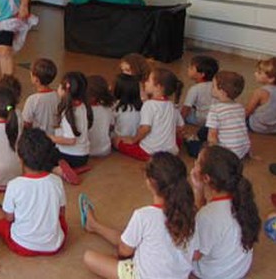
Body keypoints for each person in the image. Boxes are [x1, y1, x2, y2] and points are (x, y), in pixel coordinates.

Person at [82, 152, 197, 279]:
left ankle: (93, 225)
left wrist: (125, 259)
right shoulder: (191, 214)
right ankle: (94, 225)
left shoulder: (143, 216)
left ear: (150, 182)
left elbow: (124, 251)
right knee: (131, 237)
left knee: (89, 257)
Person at [0, 128, 67, 256]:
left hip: (23, 245)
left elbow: (9, 218)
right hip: (54, 245)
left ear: (20, 158)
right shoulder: (56, 181)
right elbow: (61, 213)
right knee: (60, 223)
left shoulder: (14, 185)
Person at [190, 146, 260, 279]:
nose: (194, 164)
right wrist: (198, 190)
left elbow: (195, 254)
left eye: (197, 162)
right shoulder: (241, 197)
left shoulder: (208, 215)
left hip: (216, 274)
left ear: (206, 178)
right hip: (239, 268)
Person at [114, 68, 184, 161]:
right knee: (177, 140)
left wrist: (133, 140)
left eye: (148, 81)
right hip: (171, 151)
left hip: (150, 151)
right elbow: (181, 127)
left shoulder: (149, 105)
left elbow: (146, 128)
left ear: (158, 87)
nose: (145, 83)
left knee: (116, 141)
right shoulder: (171, 105)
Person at [190, 71, 250, 159]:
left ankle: (190, 140)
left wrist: (211, 155)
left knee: (192, 147)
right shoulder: (240, 107)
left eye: (213, 86)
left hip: (225, 154)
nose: (211, 88)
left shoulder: (215, 110)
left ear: (222, 92)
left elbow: (212, 136)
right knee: (205, 129)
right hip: (241, 151)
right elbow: (242, 131)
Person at [49, 72, 93, 184]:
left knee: (41, 157)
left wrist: (50, 138)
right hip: (83, 157)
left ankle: (60, 171)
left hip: (71, 156)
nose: (57, 88)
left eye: (59, 86)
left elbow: (70, 140)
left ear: (66, 89)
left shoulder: (68, 112)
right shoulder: (83, 106)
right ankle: (75, 169)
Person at [22, 58, 59, 135]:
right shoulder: (57, 96)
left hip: (38, 138)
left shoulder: (32, 99)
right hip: (55, 136)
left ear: (36, 80)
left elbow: (26, 122)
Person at [245, 57, 276, 134]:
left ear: (271, 79)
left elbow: (248, 111)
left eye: (259, 72)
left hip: (256, 126)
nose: (255, 73)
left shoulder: (260, 92)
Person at [181, 55, 219, 126]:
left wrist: (179, 123)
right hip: (214, 119)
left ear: (202, 74)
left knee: (177, 110)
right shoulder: (216, 86)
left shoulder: (195, 89)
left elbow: (186, 108)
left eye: (191, 68)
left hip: (200, 120)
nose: (188, 69)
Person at [87, 75, 115, 157]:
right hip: (105, 150)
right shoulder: (108, 109)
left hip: (87, 150)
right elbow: (111, 126)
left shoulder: (83, 110)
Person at [111, 73, 142, 143]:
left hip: (120, 139)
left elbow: (111, 124)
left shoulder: (116, 106)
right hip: (136, 138)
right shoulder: (141, 106)